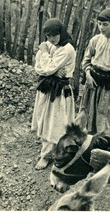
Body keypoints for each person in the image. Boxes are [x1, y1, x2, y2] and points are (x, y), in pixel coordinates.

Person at [31, 18, 76, 170]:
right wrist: (52, 70)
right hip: (47, 89)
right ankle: (48, 152)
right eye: (48, 36)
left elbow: (48, 68)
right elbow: (38, 67)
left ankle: (49, 155)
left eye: (54, 35)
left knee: (55, 124)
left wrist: (47, 61)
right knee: (45, 121)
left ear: (61, 33)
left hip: (59, 93)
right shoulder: (49, 45)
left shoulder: (67, 49)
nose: (51, 39)